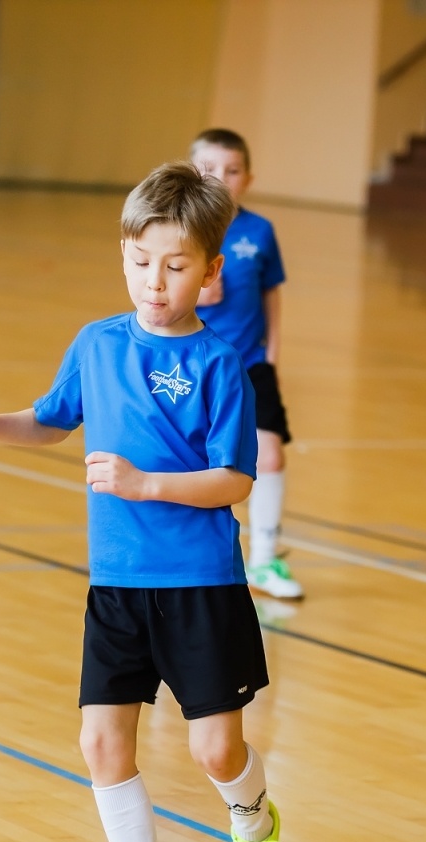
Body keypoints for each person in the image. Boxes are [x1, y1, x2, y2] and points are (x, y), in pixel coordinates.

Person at [0, 162, 282, 842]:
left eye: (174, 266)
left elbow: (234, 478)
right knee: (101, 746)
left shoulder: (219, 365)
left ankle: (254, 821)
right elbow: (52, 421)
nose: (153, 282)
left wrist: (146, 483)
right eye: (139, 262)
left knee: (214, 752)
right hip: (117, 587)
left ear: (210, 274)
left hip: (201, 587)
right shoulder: (97, 344)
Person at [190, 128, 302, 600]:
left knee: (270, 454)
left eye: (232, 170)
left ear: (248, 178)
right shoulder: (182, 230)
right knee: (197, 462)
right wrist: (197, 292)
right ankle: (197, 558)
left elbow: (271, 294)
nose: (221, 178)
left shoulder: (260, 232)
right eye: (209, 168)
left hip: (250, 365)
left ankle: (263, 560)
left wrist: (272, 353)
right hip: (195, 366)